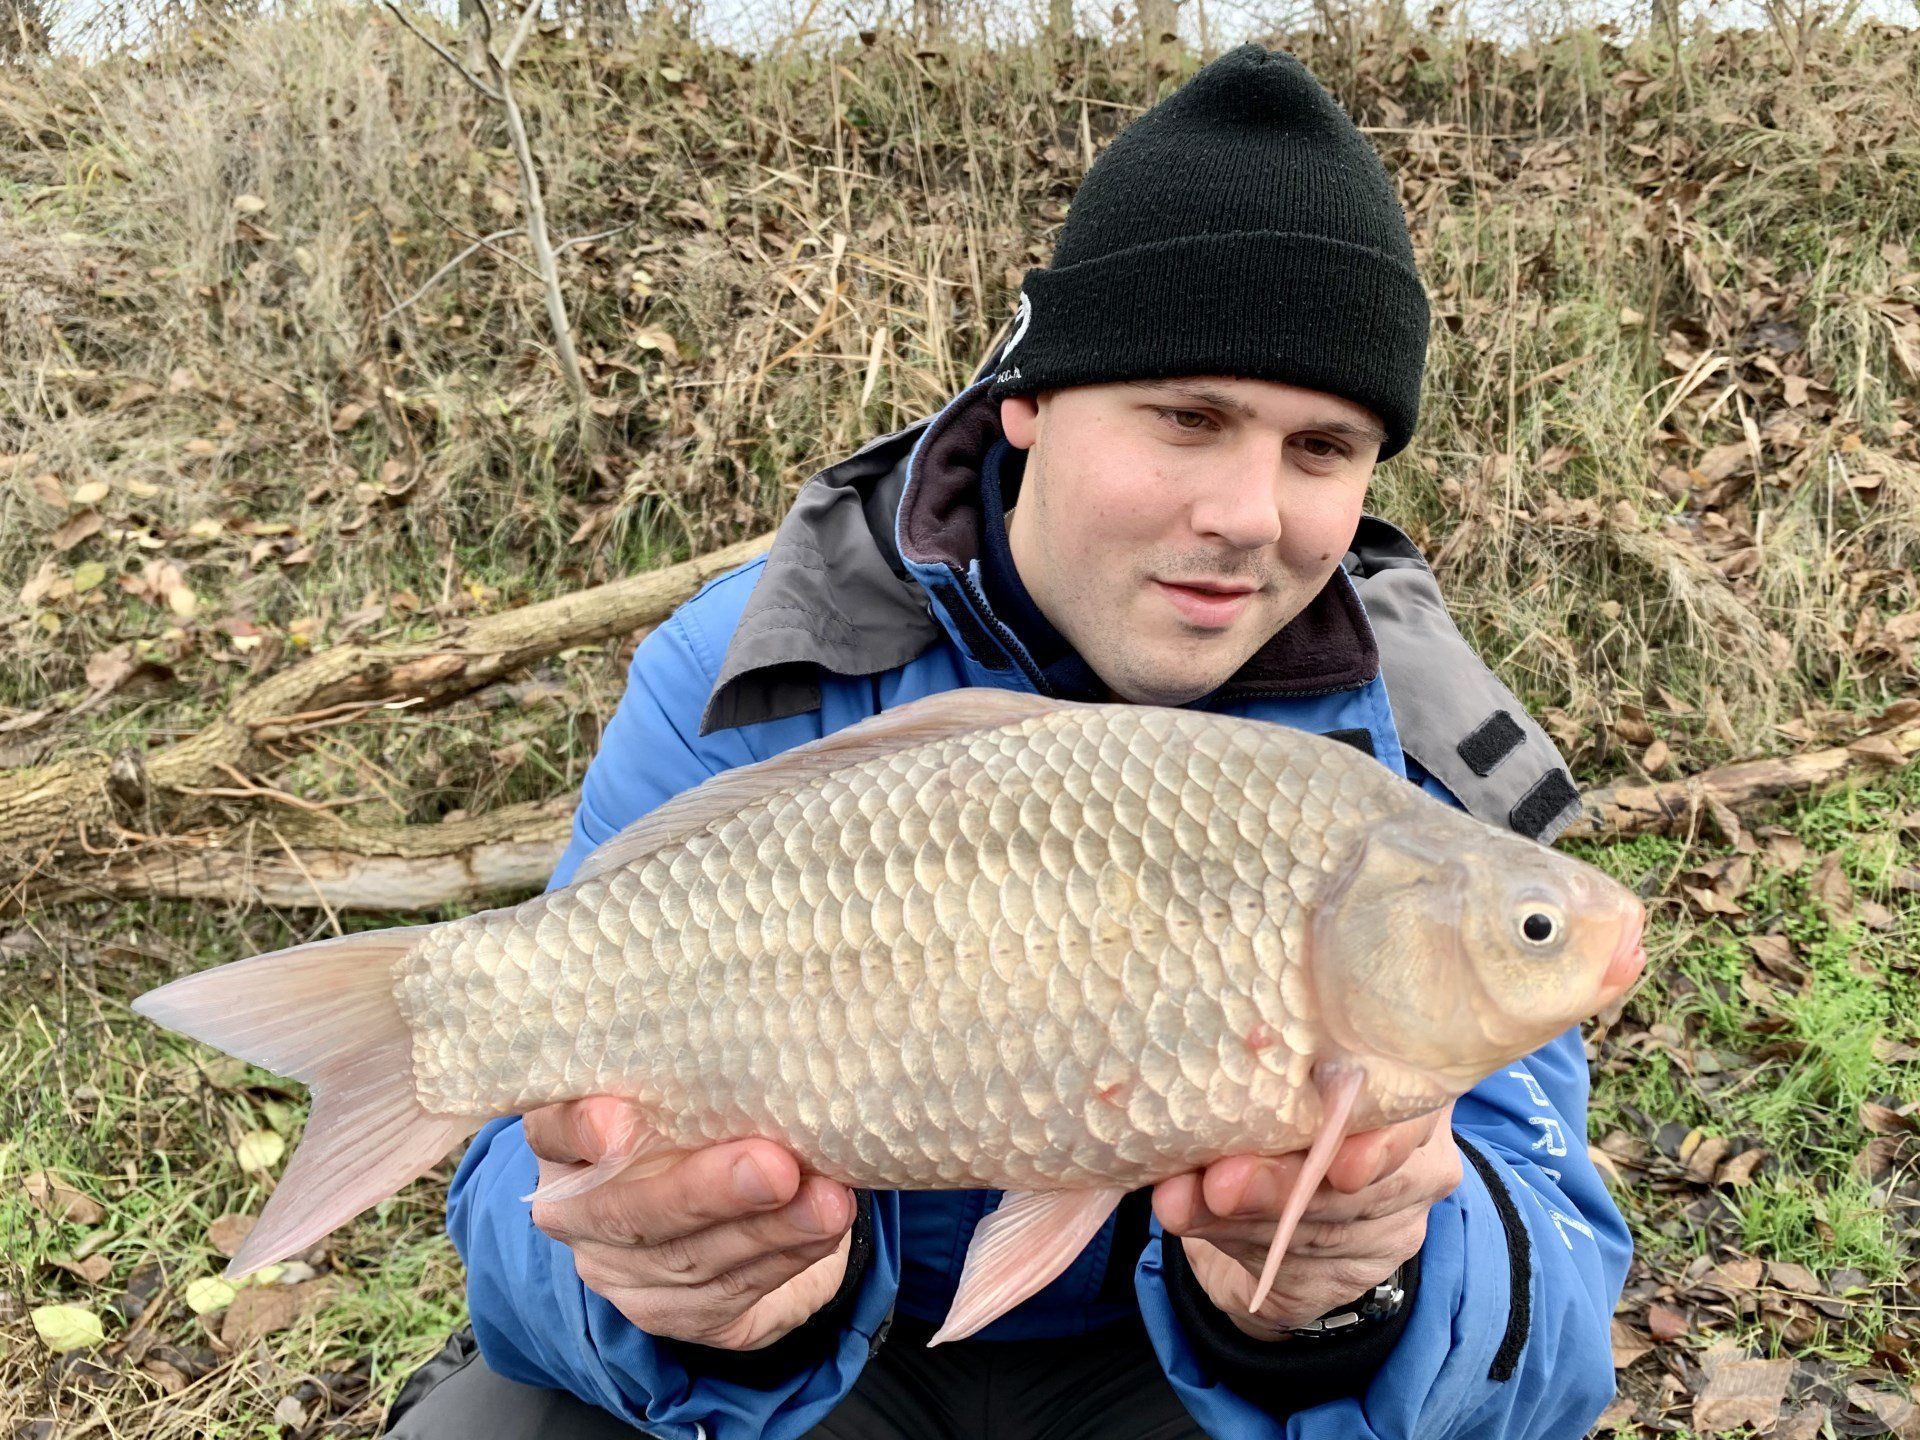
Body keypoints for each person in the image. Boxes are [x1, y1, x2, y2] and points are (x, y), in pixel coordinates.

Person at [384, 41, 1629, 1440]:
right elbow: (516, 1191)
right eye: (1188, 417)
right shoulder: (747, 662)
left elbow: (1557, 1316)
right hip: (841, 1345)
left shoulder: (1430, 754)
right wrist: (660, 1286)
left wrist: (1355, 1305)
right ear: (1026, 401)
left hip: (1175, 1377)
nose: (1248, 511)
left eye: (1322, 449)